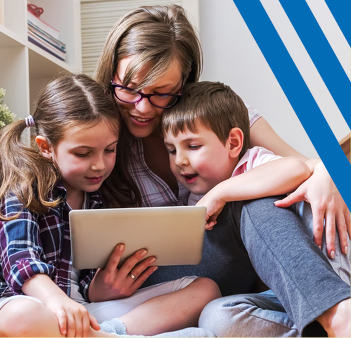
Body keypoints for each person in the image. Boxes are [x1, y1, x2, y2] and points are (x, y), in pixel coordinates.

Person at [91, 3, 350, 336]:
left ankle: (335, 316)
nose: (142, 106)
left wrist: (329, 172)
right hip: (165, 276)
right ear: (111, 73)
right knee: (220, 311)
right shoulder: (98, 138)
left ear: (182, 87)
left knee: (252, 193)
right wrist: (98, 287)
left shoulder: (216, 119)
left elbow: (301, 165)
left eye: (160, 93)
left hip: (244, 259)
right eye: (128, 88)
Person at [0, 74, 220, 337]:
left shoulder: (100, 198)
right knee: (19, 317)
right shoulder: (24, 185)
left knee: (205, 289)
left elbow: (85, 282)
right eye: (82, 153)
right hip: (37, 304)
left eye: (110, 150)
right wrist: (58, 301)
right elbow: (19, 260)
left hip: (87, 314)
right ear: (46, 147)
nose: (100, 165)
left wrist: (97, 289)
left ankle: (107, 334)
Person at [161, 80, 351, 336]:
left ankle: (342, 314)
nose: (180, 161)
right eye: (171, 150)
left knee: (260, 203)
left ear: (234, 143)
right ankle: (324, 326)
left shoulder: (253, 162)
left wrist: (221, 193)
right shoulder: (196, 197)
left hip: (334, 259)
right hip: (293, 291)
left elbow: (296, 168)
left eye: (193, 146)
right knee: (217, 317)